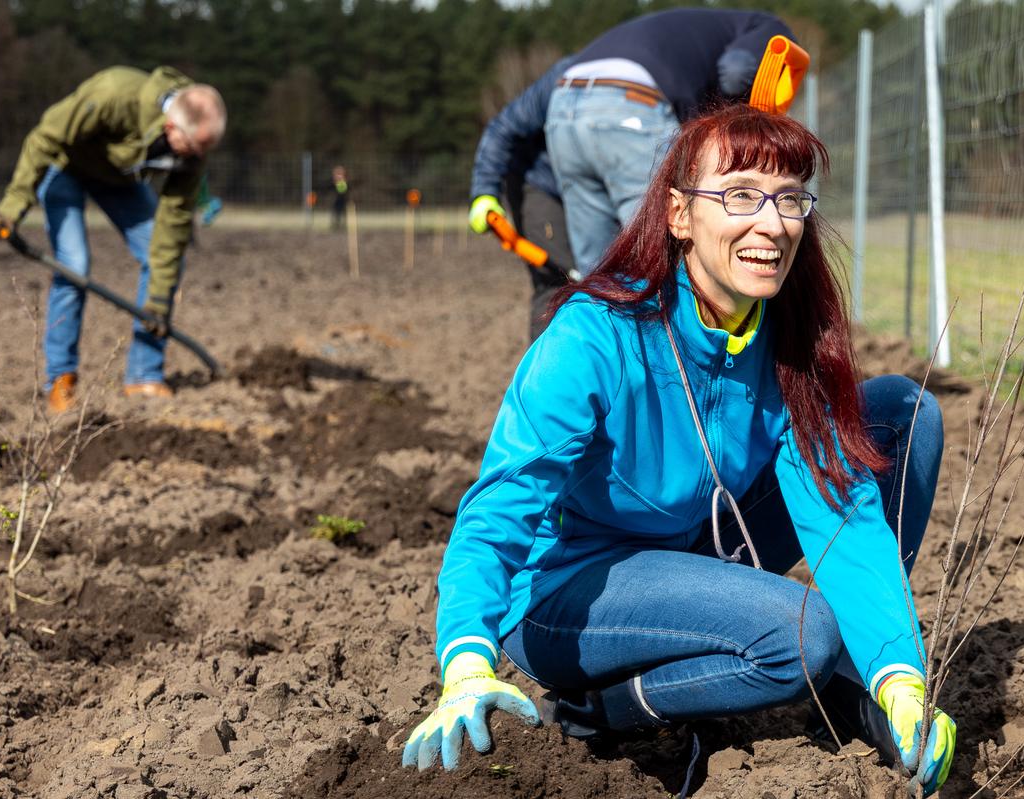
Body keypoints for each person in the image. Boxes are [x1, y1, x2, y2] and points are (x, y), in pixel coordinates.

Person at [402, 105, 957, 797]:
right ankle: (604, 709)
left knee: (901, 414)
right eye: (741, 195)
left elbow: (838, 506)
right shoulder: (595, 337)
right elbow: (499, 510)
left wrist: (901, 678)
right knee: (799, 634)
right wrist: (466, 664)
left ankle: (856, 685)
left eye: (789, 198)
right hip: (570, 584)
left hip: (698, 543)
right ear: (679, 213)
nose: (772, 224)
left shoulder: (789, 337)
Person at [0, 66, 226, 413]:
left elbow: (173, 225)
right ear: (170, 127)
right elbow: (45, 137)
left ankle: (144, 373)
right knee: (74, 265)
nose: (196, 158)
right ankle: (60, 378)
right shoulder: (114, 94)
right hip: (65, 166)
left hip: (118, 181)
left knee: (161, 257)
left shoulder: (191, 151)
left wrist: (158, 303)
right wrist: (13, 207)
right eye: (192, 148)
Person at [545, 8, 799, 276]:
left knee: (596, 267)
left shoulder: (698, 29)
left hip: (562, 106)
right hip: (630, 103)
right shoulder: (771, 27)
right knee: (663, 246)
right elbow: (736, 71)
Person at [468, 57, 577, 341]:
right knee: (557, 281)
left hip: (584, 190)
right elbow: (501, 129)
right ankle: (549, 367)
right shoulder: (564, 79)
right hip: (538, 184)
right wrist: (484, 193)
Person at [330, 165, 350, 231]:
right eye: (337, 174)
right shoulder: (334, 183)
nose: (339, 176)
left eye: (340, 174)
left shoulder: (344, 183)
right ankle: (335, 225)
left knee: (344, 213)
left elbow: (344, 191)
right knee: (336, 213)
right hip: (337, 201)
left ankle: (344, 226)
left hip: (344, 201)